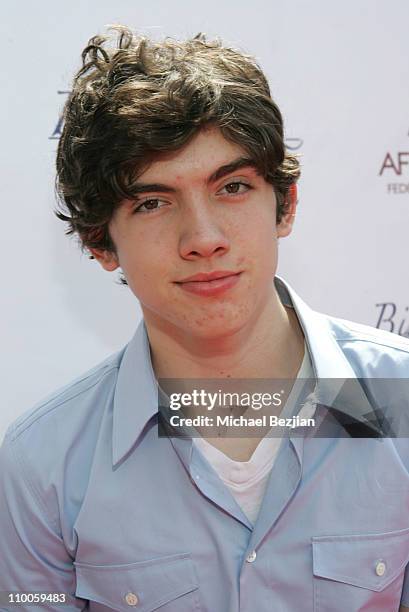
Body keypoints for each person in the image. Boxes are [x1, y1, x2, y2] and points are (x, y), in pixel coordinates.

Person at [1, 25, 409, 612]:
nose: (203, 238)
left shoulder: (397, 402)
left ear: (284, 204)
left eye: (233, 187)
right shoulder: (45, 463)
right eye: (152, 203)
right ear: (100, 241)